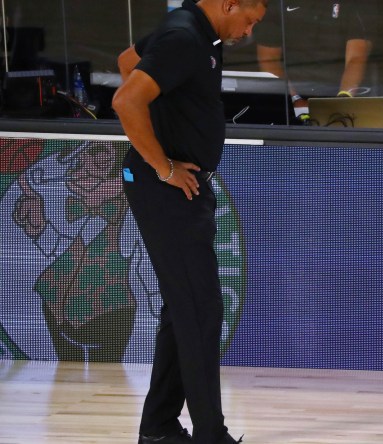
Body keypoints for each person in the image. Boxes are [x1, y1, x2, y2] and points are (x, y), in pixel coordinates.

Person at [111, 0, 267, 443]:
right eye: (249, 21)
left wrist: (163, 119)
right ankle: (210, 436)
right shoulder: (184, 37)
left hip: (179, 187)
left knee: (186, 309)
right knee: (199, 312)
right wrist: (162, 165)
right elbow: (126, 99)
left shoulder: (194, 32)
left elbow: (127, 61)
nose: (248, 32)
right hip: (166, 187)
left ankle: (159, 429)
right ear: (229, 4)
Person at [254, 0, 375, 123]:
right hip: (291, 104)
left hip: (340, 100)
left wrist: (342, 101)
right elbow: (269, 60)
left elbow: (356, 58)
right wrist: (294, 100)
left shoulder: (352, 5)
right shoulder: (278, 4)